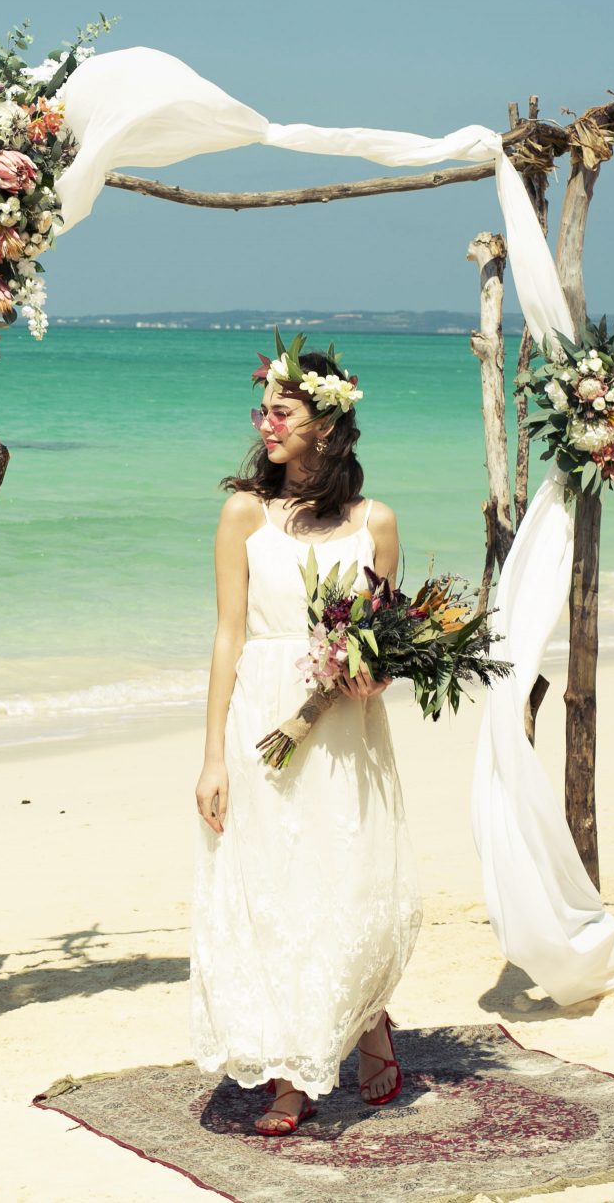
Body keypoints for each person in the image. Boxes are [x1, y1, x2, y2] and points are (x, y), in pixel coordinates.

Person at [189, 335, 424, 1136]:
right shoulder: (243, 514)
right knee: (271, 885)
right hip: (262, 717)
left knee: (342, 879)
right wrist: (214, 753)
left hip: (345, 729)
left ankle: (363, 1018)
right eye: (263, 410)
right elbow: (227, 635)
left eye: (281, 411)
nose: (265, 423)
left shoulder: (375, 522)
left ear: (326, 424)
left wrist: (371, 675)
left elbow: (385, 645)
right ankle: (291, 1074)